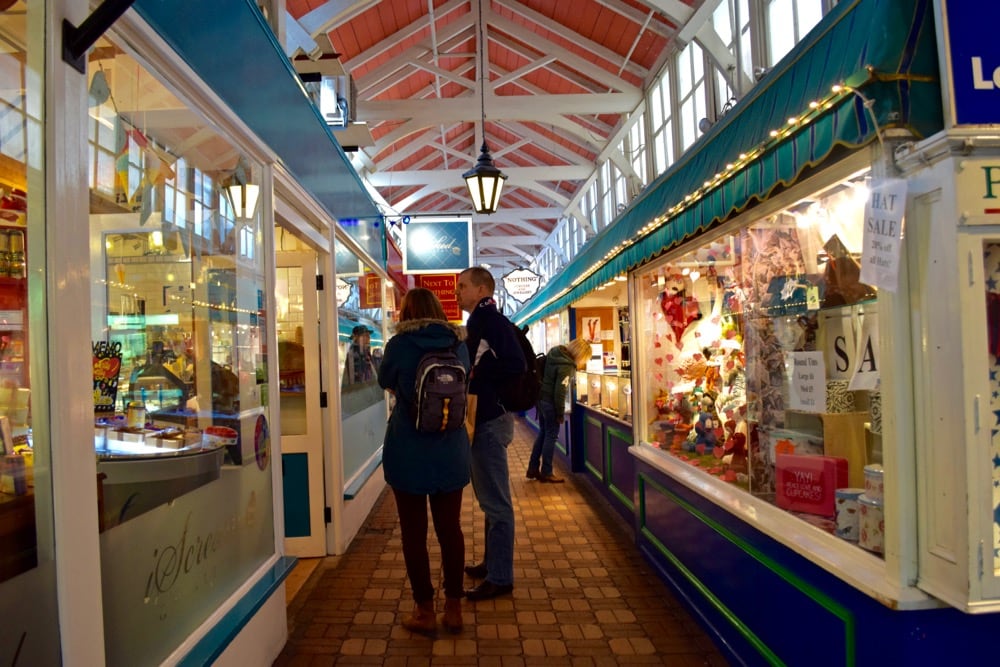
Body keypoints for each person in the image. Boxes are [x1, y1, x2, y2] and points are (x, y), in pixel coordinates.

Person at [377, 287, 470, 635]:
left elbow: (385, 381)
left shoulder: (400, 346)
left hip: (408, 449)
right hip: (451, 449)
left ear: (406, 313)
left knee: (414, 534)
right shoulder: (458, 344)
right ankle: (455, 608)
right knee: (451, 530)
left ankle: (425, 610)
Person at [455, 266, 525, 602]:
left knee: (497, 505)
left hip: (488, 421)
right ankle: (491, 564)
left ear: (482, 289)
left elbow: (516, 364)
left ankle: (501, 577)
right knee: (489, 501)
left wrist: (479, 372)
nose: (457, 291)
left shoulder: (491, 321)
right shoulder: (481, 321)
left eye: (463, 285)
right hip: (484, 419)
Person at [527, 338, 592, 483]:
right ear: (581, 354)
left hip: (541, 398)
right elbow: (560, 391)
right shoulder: (567, 366)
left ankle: (532, 468)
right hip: (550, 402)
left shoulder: (556, 353)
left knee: (543, 433)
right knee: (551, 435)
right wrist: (560, 413)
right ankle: (547, 472)